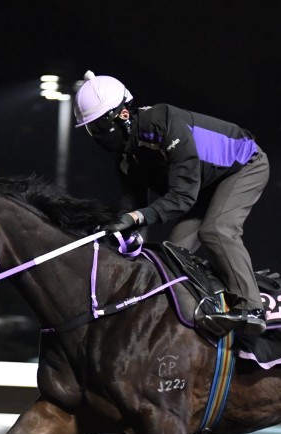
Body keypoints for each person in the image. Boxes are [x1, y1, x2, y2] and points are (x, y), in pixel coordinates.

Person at [73, 70, 269, 335]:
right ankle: (202, 306)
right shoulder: (127, 154)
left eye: (98, 125)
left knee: (216, 231)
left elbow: (182, 197)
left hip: (243, 165)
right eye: (90, 128)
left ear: (122, 114)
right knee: (173, 252)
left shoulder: (164, 123)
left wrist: (135, 218)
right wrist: (114, 233)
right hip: (204, 182)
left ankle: (252, 308)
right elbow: (133, 205)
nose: (96, 134)